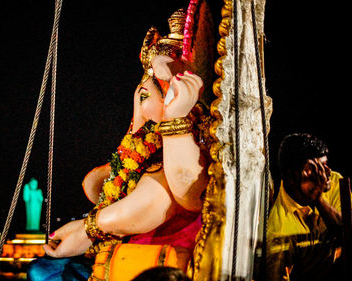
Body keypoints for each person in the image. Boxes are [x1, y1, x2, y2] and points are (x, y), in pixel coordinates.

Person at [28, 4, 215, 280]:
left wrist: (87, 229)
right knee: (43, 271)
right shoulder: (148, 152)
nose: (140, 113)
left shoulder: (192, 152)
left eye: (149, 96)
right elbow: (99, 186)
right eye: (142, 95)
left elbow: (166, 195)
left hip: (165, 261)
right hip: (122, 249)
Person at [266, 133, 352, 280]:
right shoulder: (278, 229)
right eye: (317, 168)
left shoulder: (334, 182)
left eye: (326, 164)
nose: (326, 172)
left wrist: (319, 201)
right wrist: (317, 198)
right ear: (292, 178)